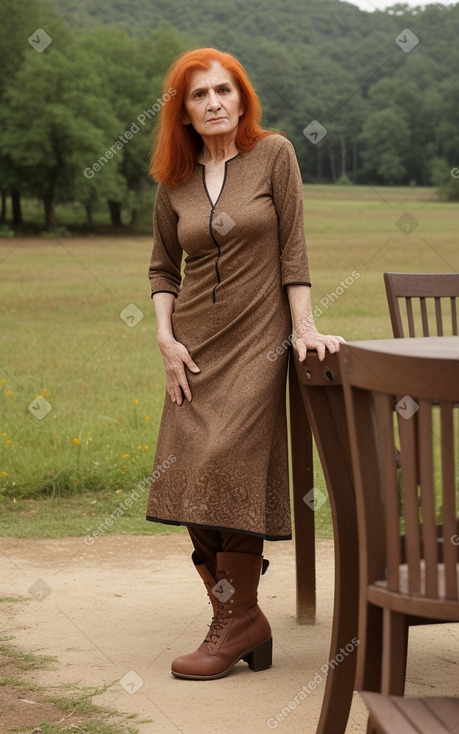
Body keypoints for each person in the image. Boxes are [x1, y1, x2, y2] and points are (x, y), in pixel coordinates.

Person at [146, 47, 344, 681]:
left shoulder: (274, 155)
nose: (213, 103)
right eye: (198, 95)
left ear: (242, 97)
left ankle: (235, 623)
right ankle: (240, 619)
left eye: (223, 91)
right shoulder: (172, 181)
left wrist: (305, 327)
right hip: (194, 352)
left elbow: (294, 251)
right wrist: (164, 339)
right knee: (186, 478)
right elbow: (161, 268)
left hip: (260, 346)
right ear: (183, 110)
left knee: (226, 463)